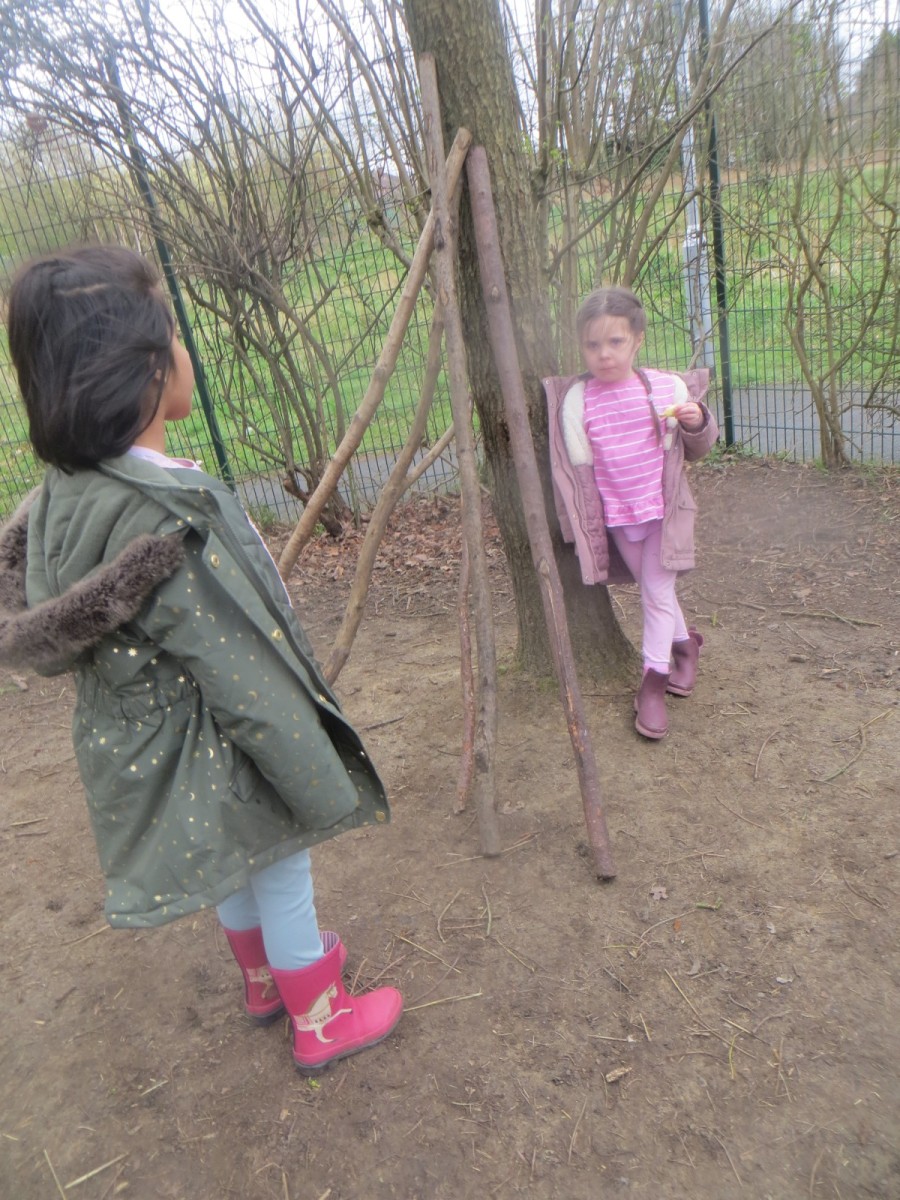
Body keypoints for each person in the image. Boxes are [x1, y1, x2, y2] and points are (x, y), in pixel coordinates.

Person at [0, 245, 402, 1071]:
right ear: (144, 371)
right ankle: (319, 1015)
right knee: (281, 859)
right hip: (217, 729)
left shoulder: (63, 498)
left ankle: (263, 980)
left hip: (152, 743)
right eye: (173, 336)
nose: (184, 351)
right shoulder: (166, 516)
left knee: (232, 859)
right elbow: (240, 667)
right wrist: (307, 765)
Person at [544, 285, 719, 739]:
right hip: (620, 519)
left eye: (615, 341)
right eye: (592, 344)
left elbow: (697, 446)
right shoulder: (578, 400)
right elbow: (574, 468)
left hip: (664, 514)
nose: (604, 354)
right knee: (655, 590)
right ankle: (687, 647)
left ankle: (652, 685)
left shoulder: (664, 388)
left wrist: (697, 421)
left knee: (655, 594)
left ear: (637, 339)